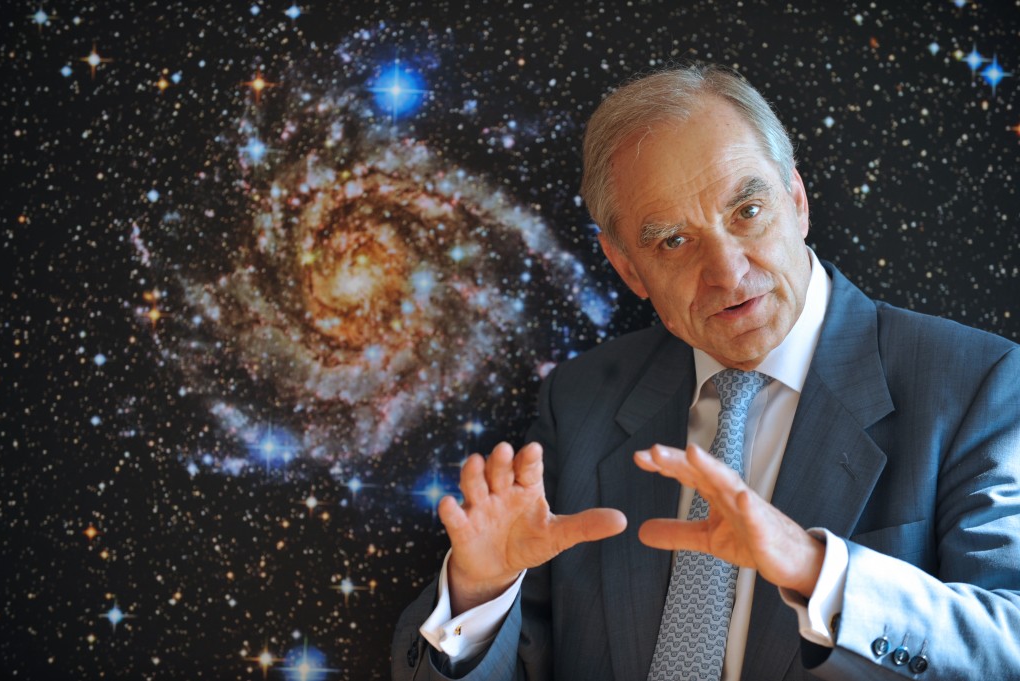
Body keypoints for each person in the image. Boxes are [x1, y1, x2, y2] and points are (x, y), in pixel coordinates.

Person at [391, 63, 1020, 680]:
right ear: (627, 268)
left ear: (796, 200)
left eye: (747, 211)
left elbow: (1007, 644)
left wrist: (815, 569)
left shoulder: (975, 383)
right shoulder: (579, 401)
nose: (726, 271)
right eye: (673, 241)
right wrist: (479, 593)